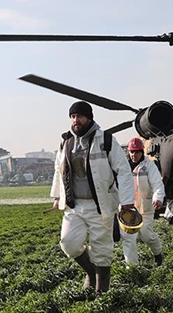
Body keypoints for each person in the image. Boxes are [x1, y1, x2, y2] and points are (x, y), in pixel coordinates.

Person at [50, 101, 136, 294]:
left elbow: (123, 170)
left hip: (101, 205)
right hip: (74, 205)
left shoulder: (106, 140)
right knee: (68, 243)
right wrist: (57, 196)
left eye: (79, 116)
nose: (75, 120)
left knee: (102, 249)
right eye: (73, 117)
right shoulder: (65, 142)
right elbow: (58, 169)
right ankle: (90, 272)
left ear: (89, 118)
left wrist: (127, 200)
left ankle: (101, 292)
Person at [120, 137, 166, 266]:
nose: (134, 155)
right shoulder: (123, 166)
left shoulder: (149, 166)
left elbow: (157, 184)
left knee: (147, 235)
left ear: (142, 152)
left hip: (145, 208)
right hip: (128, 209)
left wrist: (157, 198)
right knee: (128, 238)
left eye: (137, 152)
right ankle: (132, 267)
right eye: (132, 152)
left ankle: (157, 253)